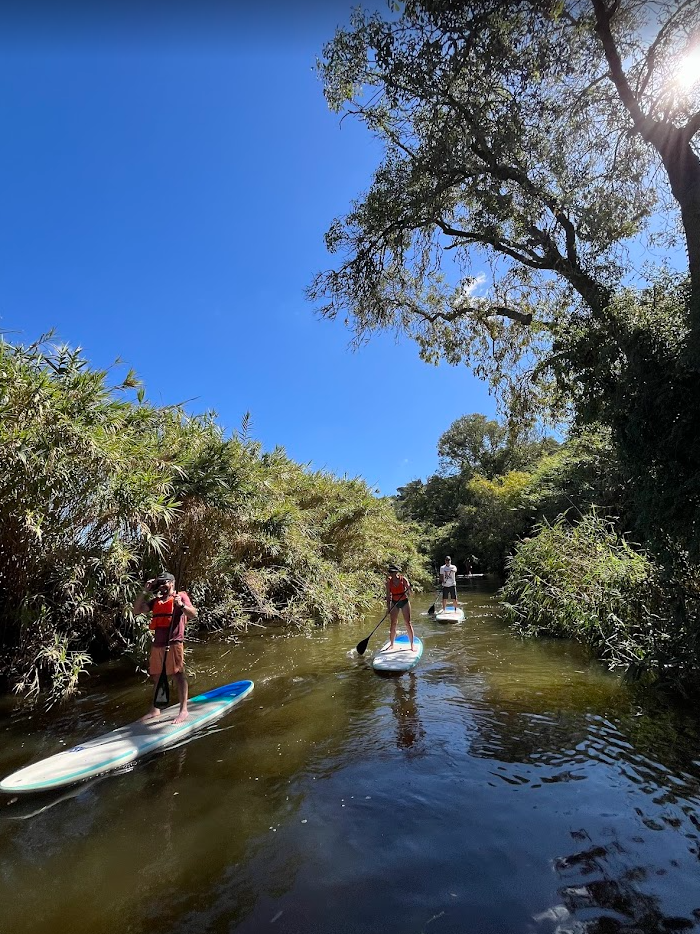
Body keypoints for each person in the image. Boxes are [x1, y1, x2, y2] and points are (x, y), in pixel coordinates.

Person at [134, 571, 198, 724]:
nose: (162, 586)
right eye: (159, 583)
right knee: (156, 676)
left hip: (174, 642)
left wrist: (180, 605)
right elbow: (136, 610)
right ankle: (155, 709)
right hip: (158, 644)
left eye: (164, 583)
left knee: (178, 675)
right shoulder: (156, 601)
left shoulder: (180, 596)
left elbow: (193, 614)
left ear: (171, 583)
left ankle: (183, 710)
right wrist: (145, 591)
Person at [386, 564, 416, 651]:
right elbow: (388, 595)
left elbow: (410, 594)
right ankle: (392, 644)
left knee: (408, 623)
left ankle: (412, 645)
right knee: (393, 623)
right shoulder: (389, 582)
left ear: (396, 572)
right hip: (394, 602)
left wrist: (409, 589)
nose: (391, 574)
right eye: (390, 572)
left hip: (404, 601)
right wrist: (388, 608)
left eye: (393, 572)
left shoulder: (403, 579)